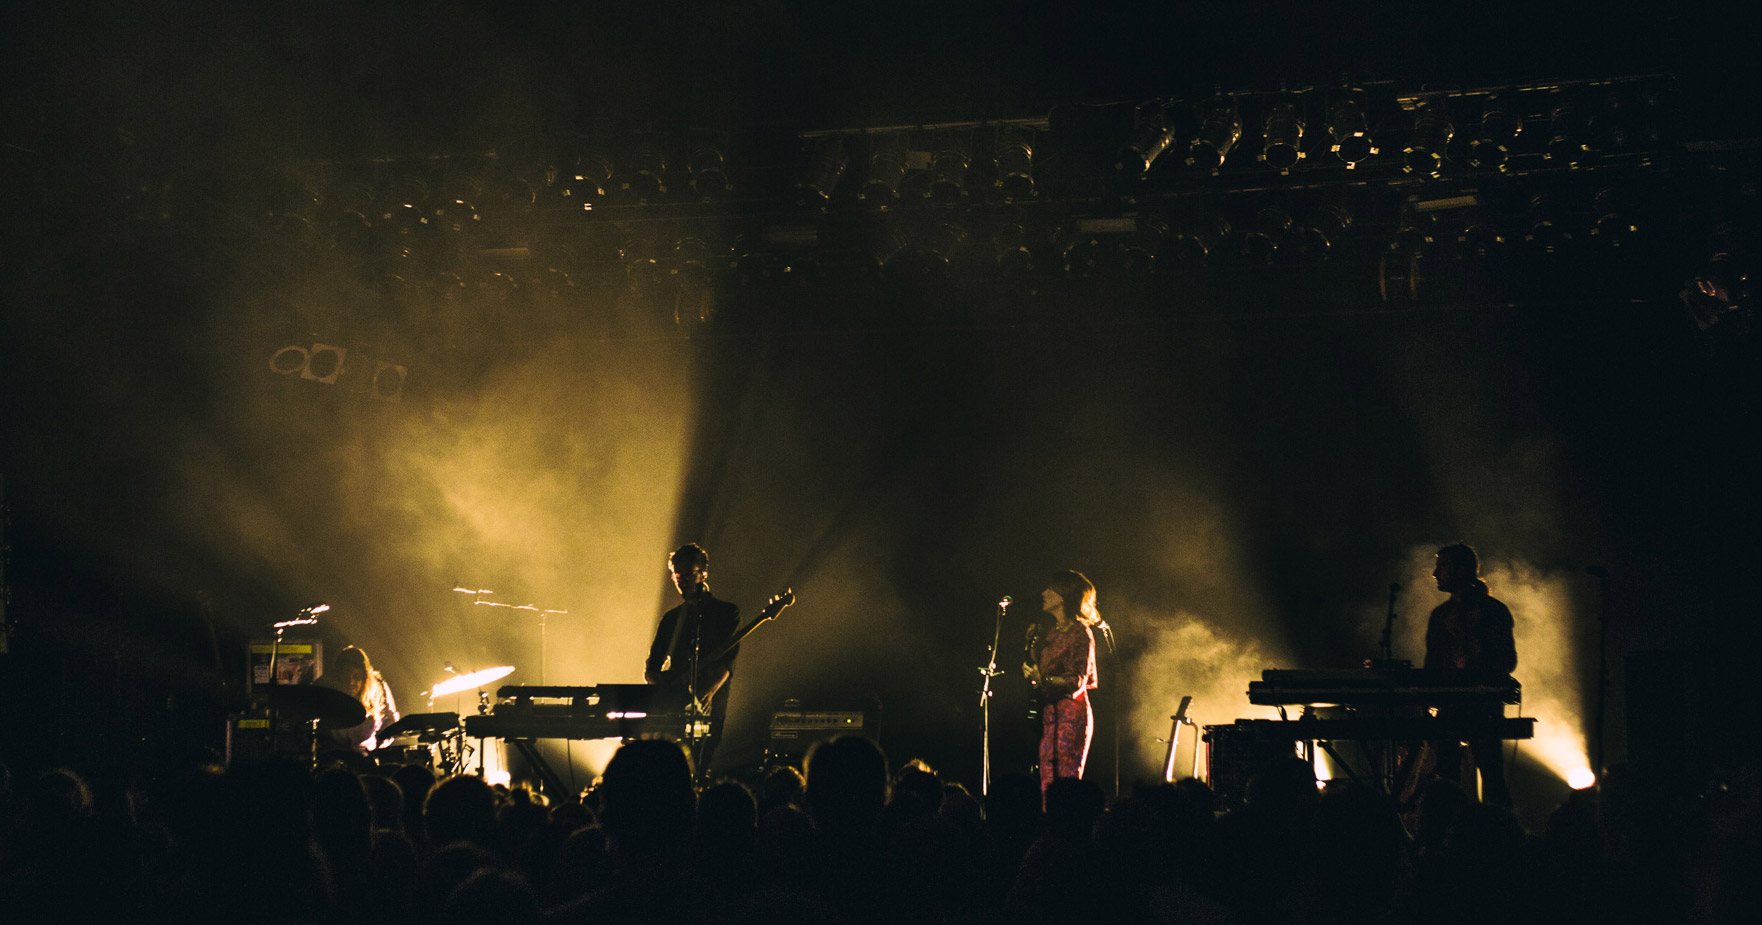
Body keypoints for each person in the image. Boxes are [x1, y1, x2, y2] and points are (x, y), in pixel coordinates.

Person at [1423, 542, 1517, 808]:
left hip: (1481, 708)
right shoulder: (1442, 615)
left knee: (1488, 780)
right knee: (1458, 780)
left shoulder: (1491, 612)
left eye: (1442, 566)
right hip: (1456, 708)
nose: (1435, 572)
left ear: (1461, 569)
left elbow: (1507, 661)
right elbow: (1432, 668)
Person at [645, 543, 742, 775]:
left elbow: (728, 660)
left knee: (700, 763)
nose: (682, 580)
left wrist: (708, 691)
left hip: (710, 701)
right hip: (674, 707)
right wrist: (665, 690)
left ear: (703, 574)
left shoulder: (726, 612)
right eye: (677, 575)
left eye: (689, 574)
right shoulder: (671, 619)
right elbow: (651, 668)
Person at [1023, 570, 1101, 795]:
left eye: (1051, 589)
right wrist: (1031, 657)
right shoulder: (1052, 634)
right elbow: (1042, 678)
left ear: (1064, 595)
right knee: (1047, 781)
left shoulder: (1080, 632)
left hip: (1071, 716)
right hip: (1050, 717)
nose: (1044, 593)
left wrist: (1042, 678)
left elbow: (1076, 681)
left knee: (1066, 783)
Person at [322, 645, 400, 755]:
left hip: (369, 756)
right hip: (334, 755)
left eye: (356, 676)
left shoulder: (379, 688)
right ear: (338, 676)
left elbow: (391, 723)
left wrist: (379, 743)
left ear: (365, 677)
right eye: (346, 676)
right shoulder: (327, 692)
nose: (351, 682)